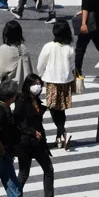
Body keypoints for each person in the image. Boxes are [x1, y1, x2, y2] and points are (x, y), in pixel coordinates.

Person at [13, 74, 65, 197]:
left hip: (38, 142)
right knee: (24, 173)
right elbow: (17, 121)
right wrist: (31, 131)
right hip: (25, 143)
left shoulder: (35, 99)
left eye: (39, 83)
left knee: (48, 169)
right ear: (28, 85)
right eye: (35, 83)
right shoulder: (22, 100)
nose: (37, 86)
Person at [37, 20, 76, 150]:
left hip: (52, 81)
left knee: (53, 108)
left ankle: (63, 133)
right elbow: (72, 66)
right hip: (65, 82)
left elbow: (41, 64)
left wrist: (39, 76)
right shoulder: (70, 49)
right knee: (61, 110)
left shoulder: (48, 46)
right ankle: (59, 138)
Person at [0, 20, 35, 92]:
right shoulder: (24, 48)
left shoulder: (3, 49)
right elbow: (31, 69)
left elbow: (0, 72)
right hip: (24, 87)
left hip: (11, 87)